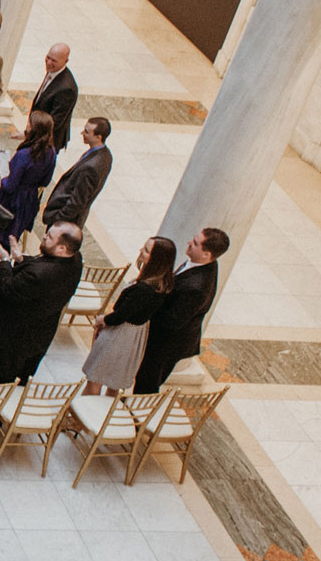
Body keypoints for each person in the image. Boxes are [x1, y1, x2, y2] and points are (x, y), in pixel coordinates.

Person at [0, 221, 86, 382]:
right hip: (41, 335)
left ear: (62, 248)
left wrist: (5, 260)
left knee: (1, 382)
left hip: (14, 339)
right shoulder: (76, 260)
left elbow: (7, 289)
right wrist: (20, 259)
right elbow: (42, 267)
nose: (44, 236)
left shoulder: (39, 275)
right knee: (22, 379)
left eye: (50, 237)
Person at [135, 227, 226, 394]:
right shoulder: (203, 264)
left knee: (146, 382)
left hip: (167, 343)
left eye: (196, 243)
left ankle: (133, 413)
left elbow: (173, 320)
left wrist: (145, 311)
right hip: (167, 338)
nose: (189, 242)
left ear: (207, 254)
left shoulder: (197, 288)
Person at [82, 236, 175, 395]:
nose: (141, 251)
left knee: (96, 377)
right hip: (134, 336)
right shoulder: (164, 283)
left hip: (119, 334)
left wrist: (101, 320)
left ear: (156, 260)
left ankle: (85, 411)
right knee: (114, 383)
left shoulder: (143, 290)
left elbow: (119, 316)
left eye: (146, 250)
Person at [0, 110, 60, 248]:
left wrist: (0, 169)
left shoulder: (24, 155)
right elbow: (45, 181)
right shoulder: (51, 153)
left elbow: (9, 186)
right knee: (10, 240)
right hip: (28, 201)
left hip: (11, 202)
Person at [42, 117, 114, 230]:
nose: (82, 133)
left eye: (86, 132)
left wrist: (57, 219)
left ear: (98, 137)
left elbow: (76, 202)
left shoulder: (90, 168)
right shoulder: (106, 155)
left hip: (66, 222)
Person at [34, 43, 80, 151]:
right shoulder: (53, 71)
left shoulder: (67, 89)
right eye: (48, 57)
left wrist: (31, 134)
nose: (49, 62)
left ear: (65, 61)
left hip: (47, 140)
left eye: (54, 61)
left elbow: (55, 122)